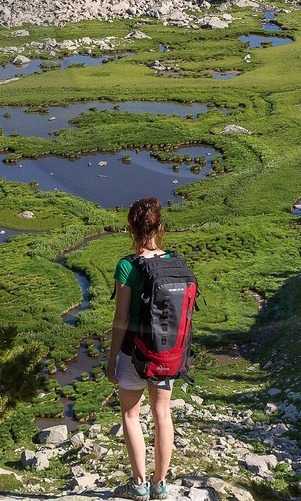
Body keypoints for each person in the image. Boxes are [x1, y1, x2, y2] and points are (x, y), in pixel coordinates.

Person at [107, 196, 178, 499]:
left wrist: (111, 359)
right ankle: (159, 485)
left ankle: (138, 484)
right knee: (162, 415)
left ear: (131, 229)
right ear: (160, 227)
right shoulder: (173, 262)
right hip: (165, 352)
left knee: (130, 415)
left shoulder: (127, 265)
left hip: (133, 353)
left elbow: (121, 318)